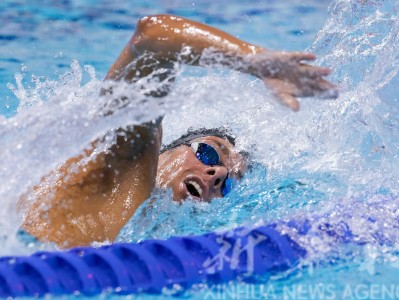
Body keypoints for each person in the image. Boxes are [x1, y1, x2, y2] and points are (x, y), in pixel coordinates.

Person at [19, 14, 337, 248]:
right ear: (166, 149)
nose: (215, 172)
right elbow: (154, 35)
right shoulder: (124, 160)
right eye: (209, 152)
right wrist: (257, 62)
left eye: (226, 183)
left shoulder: (142, 222)